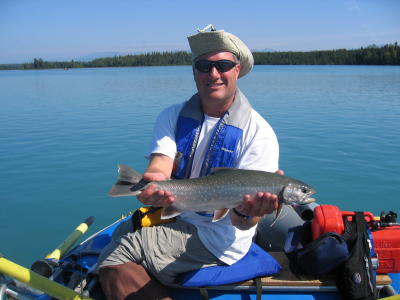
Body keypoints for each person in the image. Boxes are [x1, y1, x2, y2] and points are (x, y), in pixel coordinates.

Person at [98, 25, 281, 300]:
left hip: (218, 238)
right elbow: (160, 166)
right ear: (194, 71)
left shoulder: (259, 133)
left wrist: (248, 212)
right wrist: (152, 185)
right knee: (118, 235)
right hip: (179, 213)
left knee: (114, 256)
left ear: (237, 69)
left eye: (223, 65)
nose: (214, 74)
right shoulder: (171, 116)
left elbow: (244, 224)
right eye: (204, 66)